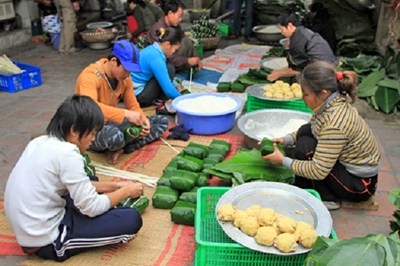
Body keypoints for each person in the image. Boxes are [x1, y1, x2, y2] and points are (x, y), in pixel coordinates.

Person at [4, 95, 144, 261]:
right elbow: (91, 208)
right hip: (46, 240)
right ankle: (66, 241)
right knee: (131, 220)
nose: (93, 139)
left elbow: (73, 185)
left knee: (90, 179)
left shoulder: (40, 141)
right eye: (92, 133)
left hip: (31, 225)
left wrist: (115, 187)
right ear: (74, 130)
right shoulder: (68, 155)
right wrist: (126, 191)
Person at [263, 61, 380, 210]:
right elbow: (311, 127)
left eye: (306, 94)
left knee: (305, 148)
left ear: (323, 92)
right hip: (346, 169)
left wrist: (282, 161)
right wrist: (285, 140)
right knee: (306, 131)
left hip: (360, 184)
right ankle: (308, 186)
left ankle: (327, 198)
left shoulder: (335, 123)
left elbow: (318, 170)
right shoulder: (330, 103)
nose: (303, 98)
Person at [75, 40, 168, 164]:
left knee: (161, 122)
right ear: (114, 61)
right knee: (114, 136)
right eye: (126, 69)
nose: (128, 74)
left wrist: (143, 120)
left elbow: (133, 105)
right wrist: (125, 114)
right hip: (89, 129)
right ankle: (118, 144)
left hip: (111, 123)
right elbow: (89, 107)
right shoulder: (89, 76)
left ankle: (123, 148)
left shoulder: (125, 78)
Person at [267, 12, 338, 82]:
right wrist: (278, 71)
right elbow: (295, 66)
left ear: (289, 26)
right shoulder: (302, 32)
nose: (282, 33)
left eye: (282, 30)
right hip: (330, 66)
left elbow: (297, 69)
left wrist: (278, 74)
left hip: (322, 72)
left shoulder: (298, 39)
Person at [131, 27, 183, 107]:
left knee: (167, 67)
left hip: (133, 92)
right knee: (170, 69)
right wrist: (183, 100)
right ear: (168, 44)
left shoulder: (152, 49)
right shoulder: (156, 58)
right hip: (140, 96)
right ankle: (160, 101)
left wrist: (176, 85)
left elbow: (163, 75)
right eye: (175, 50)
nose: (174, 52)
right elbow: (168, 90)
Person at [146, 0, 202, 72]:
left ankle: (182, 66)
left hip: (172, 55)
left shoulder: (175, 26)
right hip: (159, 59)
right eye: (179, 16)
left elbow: (184, 38)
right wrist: (187, 61)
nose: (180, 19)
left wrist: (195, 56)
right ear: (170, 14)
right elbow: (166, 55)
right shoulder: (158, 30)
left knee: (186, 40)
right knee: (170, 68)